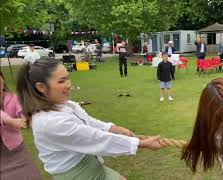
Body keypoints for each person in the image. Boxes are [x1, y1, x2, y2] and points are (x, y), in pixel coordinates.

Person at [16, 57, 162, 180]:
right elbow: (95, 138)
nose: (68, 85)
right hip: (77, 175)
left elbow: (88, 122)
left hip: (92, 164)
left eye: (68, 78)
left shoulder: (65, 105)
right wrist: (141, 144)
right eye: (61, 81)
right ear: (41, 87)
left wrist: (114, 128)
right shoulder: (49, 122)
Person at [0, 71, 42, 180]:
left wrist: (25, 116)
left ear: (3, 80)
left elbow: (22, 109)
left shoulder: (13, 98)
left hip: (15, 150)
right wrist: (9, 120)